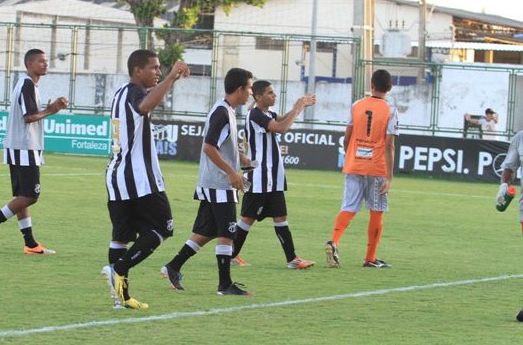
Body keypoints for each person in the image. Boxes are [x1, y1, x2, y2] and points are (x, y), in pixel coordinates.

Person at [102, 50, 190, 310]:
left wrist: (169, 79)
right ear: (137, 70)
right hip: (138, 177)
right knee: (163, 227)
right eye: (154, 68)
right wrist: (171, 78)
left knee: (121, 237)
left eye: (161, 68)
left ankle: (121, 298)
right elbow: (145, 106)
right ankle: (118, 268)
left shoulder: (120, 92)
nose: (159, 72)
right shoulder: (134, 93)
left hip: (117, 174)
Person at [160, 68, 255, 296]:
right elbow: (209, 147)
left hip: (214, 182)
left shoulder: (227, 111)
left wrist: (241, 158)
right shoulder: (222, 113)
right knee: (228, 233)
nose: (251, 93)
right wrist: (231, 172)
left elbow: (221, 145)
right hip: (218, 184)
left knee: (209, 231)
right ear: (240, 89)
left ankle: (173, 266)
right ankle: (225, 285)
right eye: (250, 88)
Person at [0, 49, 68, 255]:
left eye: (46, 60)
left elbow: (31, 114)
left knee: (23, 195)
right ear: (29, 64)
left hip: (19, 145)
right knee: (31, 195)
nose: (45, 64)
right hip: (24, 146)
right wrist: (51, 110)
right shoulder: (27, 84)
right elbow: (29, 117)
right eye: (41, 61)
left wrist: (48, 110)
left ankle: (31, 245)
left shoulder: (27, 84)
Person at [229, 81, 316, 270]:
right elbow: (281, 128)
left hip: (273, 177)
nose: (274, 95)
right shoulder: (255, 114)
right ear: (258, 97)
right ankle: (230, 254)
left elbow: (283, 119)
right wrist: (298, 108)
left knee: (280, 216)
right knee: (247, 218)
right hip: (258, 176)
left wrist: (300, 106)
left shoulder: (267, 114)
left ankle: (292, 259)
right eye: (270, 93)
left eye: (274, 92)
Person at [325, 69, 399, 269]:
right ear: (390, 88)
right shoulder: (391, 110)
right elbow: (389, 145)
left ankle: (334, 241)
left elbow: (347, 138)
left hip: (354, 164)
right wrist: (389, 177)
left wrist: (352, 157)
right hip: (377, 167)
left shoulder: (356, 105)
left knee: (348, 207)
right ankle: (370, 258)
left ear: (371, 85)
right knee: (377, 212)